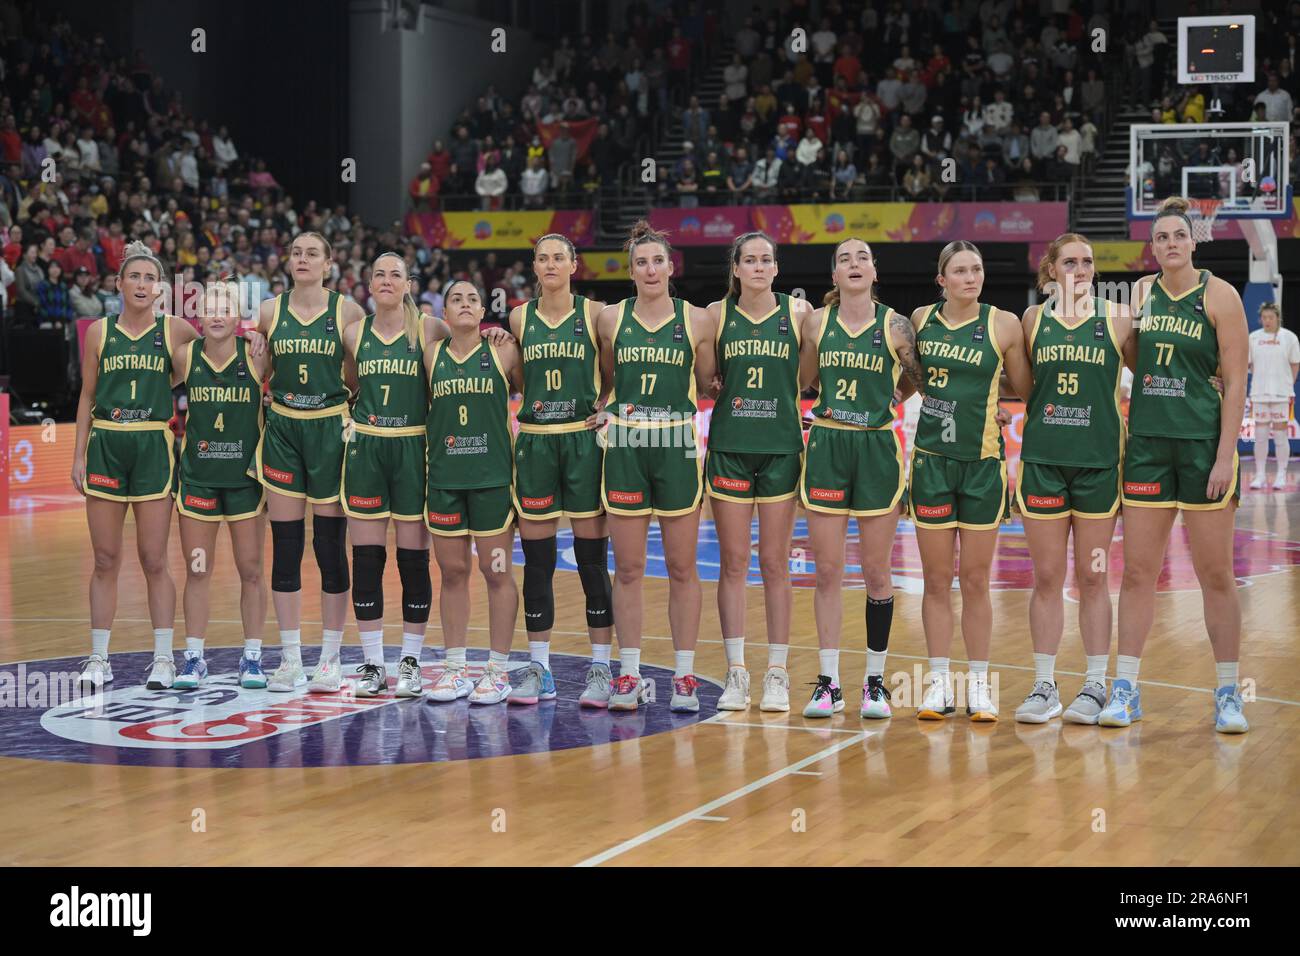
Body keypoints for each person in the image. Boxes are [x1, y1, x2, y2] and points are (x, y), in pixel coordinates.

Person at [1109, 196, 1250, 734]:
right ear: (1153, 246)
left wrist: (1223, 454)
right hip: (1146, 443)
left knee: (1215, 574)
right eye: (1161, 237)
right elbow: (1130, 356)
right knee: (1139, 572)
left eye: (1179, 236)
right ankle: (1126, 687)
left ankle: (1229, 692)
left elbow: (1236, 380)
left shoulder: (1221, 295)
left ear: (1195, 241)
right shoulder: (1140, 294)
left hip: (1201, 446)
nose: (1170, 244)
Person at [798, 238, 925, 718]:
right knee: (828, 571)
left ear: (875, 271)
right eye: (844, 259)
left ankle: (875, 681)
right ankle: (828, 683)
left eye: (863, 258)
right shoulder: (815, 323)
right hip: (828, 442)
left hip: (875, 446)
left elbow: (917, 378)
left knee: (876, 572)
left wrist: (893, 398)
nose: (854, 264)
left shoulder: (896, 325)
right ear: (833, 275)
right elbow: (805, 379)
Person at [596, 220, 717, 712]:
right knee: (627, 567)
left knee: (682, 566)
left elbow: (708, 383)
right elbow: (605, 376)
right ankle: (628, 674)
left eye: (658, 261)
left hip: (677, 446)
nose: (650, 269)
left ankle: (684, 676)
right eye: (641, 262)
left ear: (672, 267)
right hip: (625, 443)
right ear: (631, 271)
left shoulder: (698, 321)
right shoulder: (610, 319)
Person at [908, 240, 1032, 721]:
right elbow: (904, 379)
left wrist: (993, 408)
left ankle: (978, 684)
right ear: (942, 280)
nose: (970, 277)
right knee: (936, 581)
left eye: (976, 269)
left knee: (977, 580)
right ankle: (939, 682)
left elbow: (1025, 386)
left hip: (982, 464)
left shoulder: (1003, 323)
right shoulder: (919, 320)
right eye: (959, 271)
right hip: (931, 462)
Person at [71, 242, 203, 689]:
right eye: (135, 276)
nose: (143, 284)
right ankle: (98, 657)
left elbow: (211, 354)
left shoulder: (176, 330)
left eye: (150, 278)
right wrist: (77, 454)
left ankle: (164, 658)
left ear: (160, 288)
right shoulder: (98, 333)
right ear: (119, 284)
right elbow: (88, 396)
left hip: (152, 445)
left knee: (153, 559)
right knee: (105, 558)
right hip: (107, 444)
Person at [1014, 234, 1129, 724]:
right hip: (1043, 461)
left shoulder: (1118, 318)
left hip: (1098, 464)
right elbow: (1016, 383)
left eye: (1087, 262)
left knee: (1093, 577)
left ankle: (1096, 684)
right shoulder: (1032, 320)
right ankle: (1044, 685)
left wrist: (1212, 378)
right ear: (1051, 269)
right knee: (1046, 577)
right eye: (1069, 261)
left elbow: (1152, 376)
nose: (1080, 269)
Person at [707, 231, 816, 713]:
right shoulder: (714, 315)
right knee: (733, 563)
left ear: (776, 269)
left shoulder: (799, 316)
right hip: (730, 448)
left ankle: (776, 673)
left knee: (775, 563)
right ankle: (736, 673)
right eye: (748, 259)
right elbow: (706, 378)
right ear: (736, 269)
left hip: (780, 449)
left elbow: (810, 378)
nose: (756, 266)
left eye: (765, 260)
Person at [507, 235, 615, 707]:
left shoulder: (596, 314)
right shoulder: (517, 317)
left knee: (592, 559)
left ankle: (600, 668)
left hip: (582, 439)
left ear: (574, 264)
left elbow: (612, 371)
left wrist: (606, 405)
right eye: (543, 258)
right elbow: (514, 377)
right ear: (534, 266)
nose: (551, 264)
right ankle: (539, 667)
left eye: (559, 257)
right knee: (539, 562)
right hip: (536, 441)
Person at [254, 232, 364, 693]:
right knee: (285, 547)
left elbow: (360, 376)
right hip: (283, 428)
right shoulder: (267, 312)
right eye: (296, 252)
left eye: (311, 253)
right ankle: (290, 659)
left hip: (330, 430)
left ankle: (331, 659)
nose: (302, 259)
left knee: (329, 548)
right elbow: (258, 372)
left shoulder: (348, 312)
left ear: (329, 263)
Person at [340, 253, 445, 698]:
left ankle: (411, 661)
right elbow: (349, 384)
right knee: (366, 558)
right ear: (368, 283)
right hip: (367, 446)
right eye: (378, 273)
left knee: (412, 559)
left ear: (409, 284)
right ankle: (371, 663)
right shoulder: (353, 333)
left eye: (395, 274)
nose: (386, 280)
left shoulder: (429, 328)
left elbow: (466, 351)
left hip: (412, 445)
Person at [423, 280, 523, 705]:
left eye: (472, 299)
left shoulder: (503, 351)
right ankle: (455, 667)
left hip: (492, 482)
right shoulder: (431, 355)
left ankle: (497, 671)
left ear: (484, 311)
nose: (464, 305)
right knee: (452, 574)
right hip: (445, 480)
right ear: (444, 314)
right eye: (456, 300)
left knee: (496, 573)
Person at [173, 281, 269, 688]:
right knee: (198, 570)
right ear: (198, 317)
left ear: (237, 317)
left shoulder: (259, 356)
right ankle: (193, 658)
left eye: (224, 308)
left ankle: (252, 658)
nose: (215, 315)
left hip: (244, 480)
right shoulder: (183, 356)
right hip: (198, 479)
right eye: (208, 308)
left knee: (250, 570)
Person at [1247, 303, 1299, 489]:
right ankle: (1259, 475)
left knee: (1280, 435)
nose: (1267, 321)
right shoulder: (1253, 338)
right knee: (1260, 436)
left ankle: (1281, 475)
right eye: (1264, 317)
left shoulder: (1289, 338)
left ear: (1278, 318)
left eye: (1271, 317)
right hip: (1259, 394)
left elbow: (1295, 364)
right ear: (1260, 319)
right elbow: (1249, 364)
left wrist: (1287, 386)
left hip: (1281, 395)